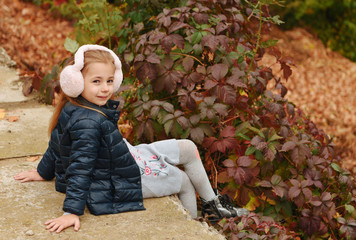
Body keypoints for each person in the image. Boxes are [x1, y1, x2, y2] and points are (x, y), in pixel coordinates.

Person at [14, 44, 248, 233]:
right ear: (75, 83)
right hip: (116, 180)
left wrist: (43, 172)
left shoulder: (75, 106)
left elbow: (57, 142)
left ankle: (214, 207)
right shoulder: (88, 122)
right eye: (96, 81)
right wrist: (71, 212)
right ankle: (194, 228)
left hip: (123, 159)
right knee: (184, 181)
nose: (105, 88)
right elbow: (80, 167)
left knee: (187, 147)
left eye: (108, 81)